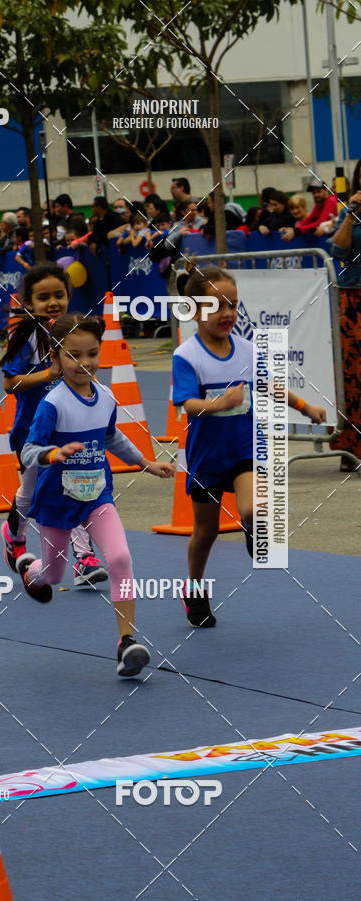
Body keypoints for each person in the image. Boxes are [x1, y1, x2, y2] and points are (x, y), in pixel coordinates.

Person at [17, 312, 175, 676]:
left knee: (120, 558)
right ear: (56, 356)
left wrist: (145, 463)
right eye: (73, 355)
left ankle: (126, 643)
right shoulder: (53, 404)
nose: (84, 363)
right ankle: (31, 569)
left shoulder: (105, 397)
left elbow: (110, 436)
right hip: (57, 502)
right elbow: (28, 451)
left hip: (97, 497)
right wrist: (52, 454)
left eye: (92, 354)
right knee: (53, 576)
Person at [171, 267, 326, 628]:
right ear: (194, 311)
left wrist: (305, 407)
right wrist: (220, 403)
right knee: (206, 533)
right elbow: (188, 405)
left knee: (255, 508)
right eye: (217, 306)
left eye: (233, 305)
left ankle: (255, 531)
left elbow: (269, 385)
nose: (227, 313)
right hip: (207, 456)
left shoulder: (247, 349)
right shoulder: (187, 355)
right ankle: (194, 588)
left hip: (244, 448)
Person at [0, 264, 109, 587]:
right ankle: (14, 535)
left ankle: (85, 560)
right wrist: (48, 375)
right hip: (33, 432)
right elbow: (10, 384)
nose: (52, 302)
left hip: (69, 430)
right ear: (28, 302)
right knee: (30, 492)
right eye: (43, 297)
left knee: (73, 489)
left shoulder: (74, 331)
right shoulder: (24, 337)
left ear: (69, 295)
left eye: (59, 295)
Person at [327, 159, 361, 471]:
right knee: (353, 374)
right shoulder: (349, 212)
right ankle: (351, 447)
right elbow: (338, 252)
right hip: (353, 299)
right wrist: (350, 215)